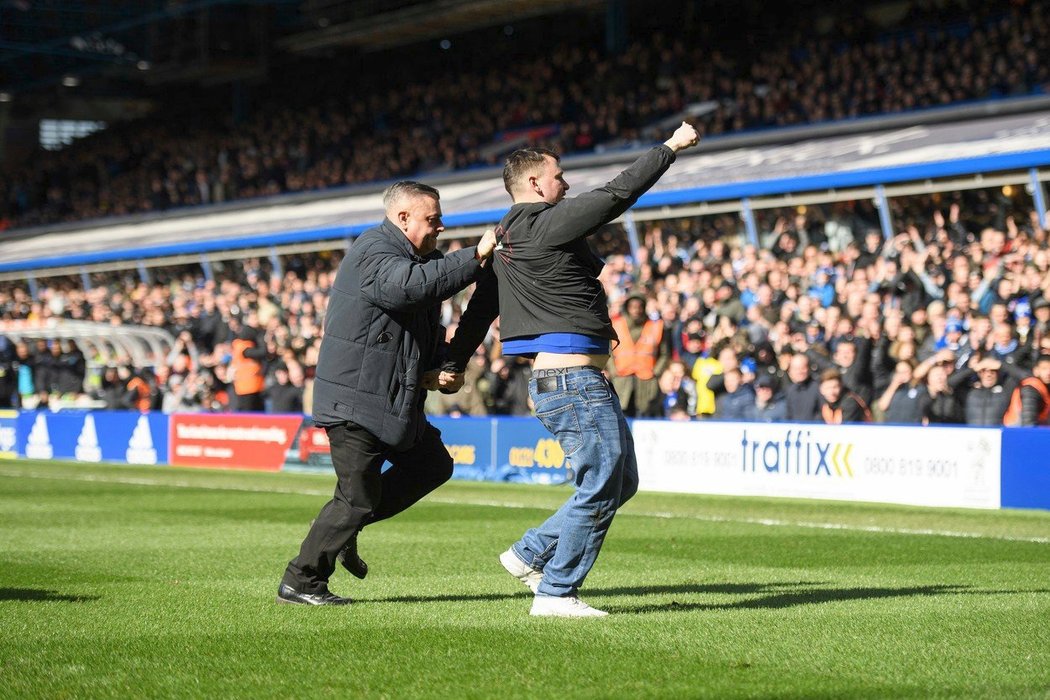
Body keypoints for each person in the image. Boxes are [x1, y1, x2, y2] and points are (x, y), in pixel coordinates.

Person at [445, 122, 701, 617]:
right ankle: (556, 592)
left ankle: (528, 553)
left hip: (565, 381)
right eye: (558, 176)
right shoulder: (541, 224)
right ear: (536, 185)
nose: (565, 184)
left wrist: (454, 362)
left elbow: (479, 312)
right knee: (604, 480)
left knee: (619, 482)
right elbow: (615, 194)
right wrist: (669, 148)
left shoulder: (506, 241)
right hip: (573, 381)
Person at [277, 181, 498, 606]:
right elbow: (406, 288)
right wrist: (475, 256)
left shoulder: (422, 261)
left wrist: (441, 369)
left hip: (392, 401)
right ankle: (301, 581)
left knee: (431, 465)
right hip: (356, 401)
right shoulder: (374, 250)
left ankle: (342, 528)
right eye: (432, 219)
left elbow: (421, 328)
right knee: (356, 500)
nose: (441, 227)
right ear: (402, 219)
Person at [609, 293, 670, 417]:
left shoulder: (656, 326)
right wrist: (613, 370)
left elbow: (664, 353)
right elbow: (608, 350)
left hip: (647, 380)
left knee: (646, 414)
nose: (636, 310)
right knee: (621, 415)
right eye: (632, 306)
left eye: (639, 306)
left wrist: (656, 372)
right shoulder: (616, 324)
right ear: (627, 308)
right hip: (621, 379)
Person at [1003, 354, 1050, 426]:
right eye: (1044, 369)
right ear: (1036, 371)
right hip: (1017, 432)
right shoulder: (1031, 389)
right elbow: (1028, 423)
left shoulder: (1043, 387)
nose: (1048, 373)